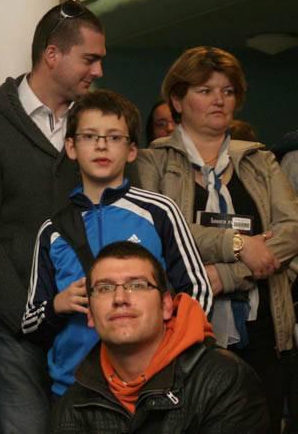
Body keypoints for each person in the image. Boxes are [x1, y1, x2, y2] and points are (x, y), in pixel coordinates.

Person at [137, 46, 298, 432]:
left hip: (263, 332)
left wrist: (224, 276)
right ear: (178, 100)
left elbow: (291, 231)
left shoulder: (260, 160)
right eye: (205, 90)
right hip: (182, 331)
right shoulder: (152, 161)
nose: (219, 100)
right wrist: (239, 244)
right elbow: (163, 231)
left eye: (227, 91)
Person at [0, 0, 105, 431]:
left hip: (88, 322)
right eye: (90, 59)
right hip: (13, 329)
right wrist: (27, 315)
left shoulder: (98, 127)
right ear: (52, 55)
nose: (99, 71)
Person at [21, 89, 212, 398]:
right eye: (89, 136)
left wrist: (170, 356)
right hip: (73, 388)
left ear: (132, 150)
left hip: (153, 384)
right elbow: (29, 323)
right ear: (71, 147)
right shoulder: (52, 230)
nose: (101, 145)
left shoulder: (159, 211)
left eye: (114, 137)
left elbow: (197, 293)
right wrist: (58, 305)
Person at [51, 241, 269, 433]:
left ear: (166, 305)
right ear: (90, 313)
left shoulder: (222, 381)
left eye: (137, 285)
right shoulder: (74, 404)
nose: (119, 298)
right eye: (105, 288)